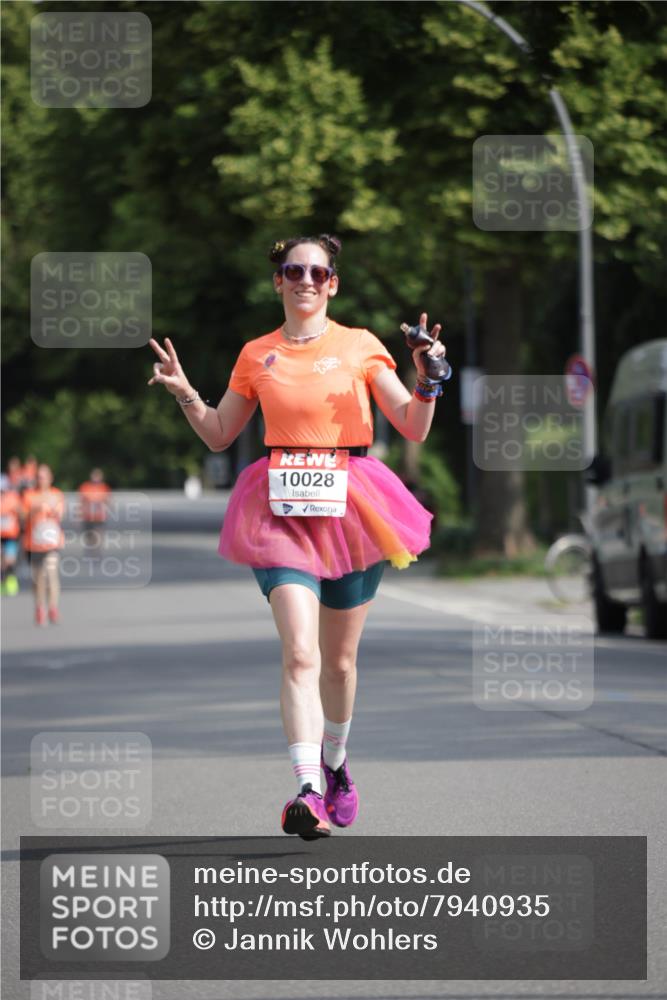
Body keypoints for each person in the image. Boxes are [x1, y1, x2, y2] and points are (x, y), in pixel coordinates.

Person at [148, 233, 449, 839]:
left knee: (338, 663)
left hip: (354, 507)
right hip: (280, 509)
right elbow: (219, 434)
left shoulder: (362, 347)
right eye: (294, 270)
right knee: (301, 653)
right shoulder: (256, 353)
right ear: (279, 281)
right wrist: (186, 394)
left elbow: (413, 428)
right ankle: (308, 789)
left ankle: (336, 765)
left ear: (331, 283)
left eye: (317, 272)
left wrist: (429, 377)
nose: (306, 280)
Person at [21, 464, 65, 625]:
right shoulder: (29, 495)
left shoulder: (56, 494)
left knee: (51, 574)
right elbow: (22, 515)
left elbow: (60, 514)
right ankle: (40, 608)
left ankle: (53, 607)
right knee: (38, 578)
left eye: (44, 476)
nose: (42, 480)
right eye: (39, 477)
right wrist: (35, 509)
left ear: (50, 478)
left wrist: (53, 510)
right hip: (34, 543)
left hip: (52, 542)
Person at [77, 468, 112, 550]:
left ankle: (97, 554)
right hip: (88, 518)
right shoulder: (85, 487)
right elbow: (80, 503)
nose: (96, 478)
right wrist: (79, 516)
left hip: (99, 518)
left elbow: (109, 502)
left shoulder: (104, 488)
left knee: (98, 538)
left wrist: (103, 505)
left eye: (98, 476)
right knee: (89, 539)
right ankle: (90, 555)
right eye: (94, 475)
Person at [1, 474, 22, 596]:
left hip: (10, 535)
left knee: (9, 560)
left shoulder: (13, 498)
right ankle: (2, 582)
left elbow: (21, 513)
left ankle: (11, 581)